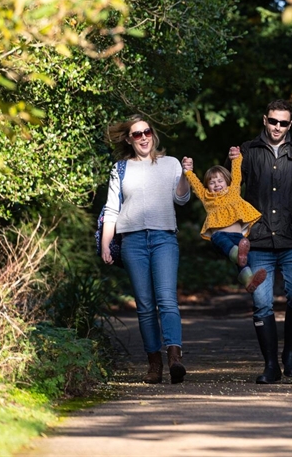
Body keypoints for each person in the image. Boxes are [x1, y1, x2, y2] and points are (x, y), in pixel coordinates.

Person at [235, 98, 292, 384]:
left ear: (290, 125)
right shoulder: (247, 151)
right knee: (261, 303)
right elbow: (228, 196)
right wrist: (233, 237)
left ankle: (291, 353)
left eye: (283, 123)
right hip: (258, 239)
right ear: (265, 120)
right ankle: (271, 365)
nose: (277, 127)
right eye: (273, 121)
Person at [100, 116, 191, 384]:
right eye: (137, 134)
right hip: (132, 241)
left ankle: (174, 358)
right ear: (129, 139)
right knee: (145, 306)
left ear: (153, 134)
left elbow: (182, 199)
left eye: (147, 132)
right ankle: (154, 364)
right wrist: (106, 244)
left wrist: (186, 175)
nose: (143, 137)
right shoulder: (120, 169)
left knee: (167, 300)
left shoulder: (170, 163)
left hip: (164, 238)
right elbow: (111, 209)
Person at [181, 151, 268, 293]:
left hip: (238, 237)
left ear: (227, 181)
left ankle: (248, 281)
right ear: (207, 186)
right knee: (230, 247)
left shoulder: (233, 191)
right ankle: (237, 255)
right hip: (220, 236)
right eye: (212, 182)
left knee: (245, 261)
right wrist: (188, 171)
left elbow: (237, 174)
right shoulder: (206, 197)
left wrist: (236, 158)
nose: (216, 184)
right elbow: (195, 184)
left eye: (220, 181)